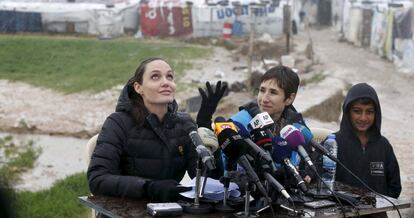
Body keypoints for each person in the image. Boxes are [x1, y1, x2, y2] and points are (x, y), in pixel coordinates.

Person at [87, 57, 197, 202]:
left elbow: (203, 178)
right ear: (138, 88)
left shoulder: (184, 123)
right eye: (155, 76)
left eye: (169, 76)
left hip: (169, 210)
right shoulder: (118, 123)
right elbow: (97, 179)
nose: (166, 82)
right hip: (125, 209)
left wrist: (205, 126)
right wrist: (148, 188)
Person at [196, 66, 312, 183]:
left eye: (273, 92)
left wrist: (309, 173)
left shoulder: (295, 122)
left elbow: (312, 156)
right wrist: (204, 124)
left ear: (289, 98)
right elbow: (219, 172)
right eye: (262, 90)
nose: (264, 99)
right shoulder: (239, 123)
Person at [335, 83, 401, 199]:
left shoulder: (384, 146)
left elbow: (395, 187)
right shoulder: (333, 143)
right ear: (347, 111)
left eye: (369, 112)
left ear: (377, 113)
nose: (363, 118)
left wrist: (378, 205)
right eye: (357, 111)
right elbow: (320, 182)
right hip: (341, 212)